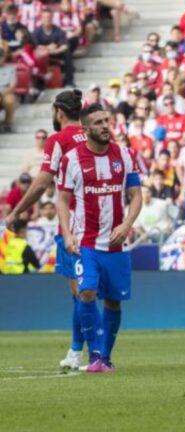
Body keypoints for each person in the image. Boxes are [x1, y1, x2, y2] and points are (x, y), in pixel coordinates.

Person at [5, 89, 87, 370]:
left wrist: (16, 212)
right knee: (99, 293)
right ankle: (97, 352)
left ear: (58, 112)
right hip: (103, 218)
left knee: (79, 292)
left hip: (74, 221)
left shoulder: (58, 139)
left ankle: (80, 353)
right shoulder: (94, 135)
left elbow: (41, 183)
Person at [57, 103, 142, 373]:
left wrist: (127, 224)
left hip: (116, 244)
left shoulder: (125, 154)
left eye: (107, 120)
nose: (106, 126)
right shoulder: (71, 159)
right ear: (86, 129)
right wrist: (67, 233)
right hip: (86, 242)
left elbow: (136, 195)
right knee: (87, 292)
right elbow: (62, 199)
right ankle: (93, 355)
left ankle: (105, 356)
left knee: (114, 301)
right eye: (99, 122)